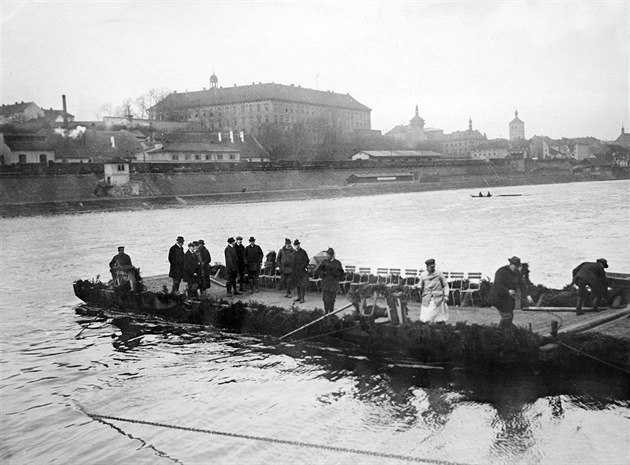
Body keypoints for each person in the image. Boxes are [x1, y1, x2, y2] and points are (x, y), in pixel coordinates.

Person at [489, 256, 533, 329]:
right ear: (511, 264)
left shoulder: (517, 273)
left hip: (507, 299)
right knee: (507, 316)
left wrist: (527, 295)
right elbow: (498, 285)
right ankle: (502, 331)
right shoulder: (501, 271)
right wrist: (507, 291)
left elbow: (522, 285)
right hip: (497, 297)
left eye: (517, 266)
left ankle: (503, 331)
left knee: (510, 316)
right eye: (515, 266)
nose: (516, 268)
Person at [417, 259, 450, 323]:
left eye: (434, 267)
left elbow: (446, 285)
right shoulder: (423, 275)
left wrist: (446, 295)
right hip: (426, 299)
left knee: (439, 320)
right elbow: (420, 284)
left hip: (438, 299)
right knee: (426, 319)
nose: (433, 268)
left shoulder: (439, 274)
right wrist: (418, 287)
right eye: (431, 267)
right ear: (427, 267)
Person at [314, 247, 344, 313]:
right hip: (325, 283)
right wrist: (324, 273)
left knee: (332, 299)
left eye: (328, 254)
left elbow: (341, 273)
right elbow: (317, 271)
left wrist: (335, 274)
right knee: (325, 299)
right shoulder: (324, 262)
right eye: (327, 254)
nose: (327, 256)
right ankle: (326, 312)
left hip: (333, 284)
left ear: (332, 255)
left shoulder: (337, 263)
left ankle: (331, 313)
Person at [292, 239, 310, 303]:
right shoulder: (294, 252)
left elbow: (307, 260)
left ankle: (302, 298)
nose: (296, 246)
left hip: (302, 271)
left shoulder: (303, 252)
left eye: (297, 245)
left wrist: (302, 266)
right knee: (297, 285)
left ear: (299, 245)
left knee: (302, 285)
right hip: (295, 271)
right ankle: (299, 297)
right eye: (295, 245)